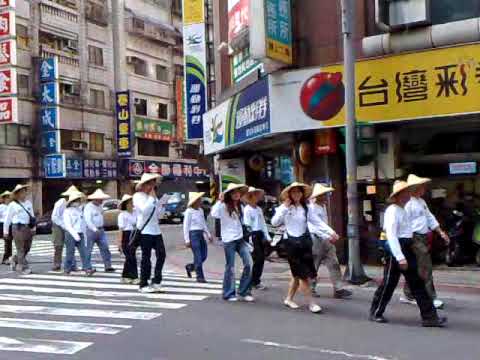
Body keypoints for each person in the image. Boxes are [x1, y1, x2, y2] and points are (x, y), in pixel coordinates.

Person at [369, 180, 447, 327]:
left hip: (406, 246)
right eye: (405, 193)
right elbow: (391, 236)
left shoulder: (403, 209)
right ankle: (376, 312)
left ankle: (430, 317)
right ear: (398, 196)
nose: (407, 195)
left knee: (417, 283)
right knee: (388, 283)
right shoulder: (392, 211)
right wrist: (400, 257)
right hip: (396, 249)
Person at [271, 182, 322, 313]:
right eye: (293, 192)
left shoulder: (306, 208)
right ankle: (311, 303)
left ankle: (288, 298)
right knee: (303, 275)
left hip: (304, 244)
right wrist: (284, 208)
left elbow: (317, 222)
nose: (296, 195)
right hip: (291, 245)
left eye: (298, 192)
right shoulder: (285, 207)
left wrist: (330, 233)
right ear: (289, 194)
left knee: (297, 275)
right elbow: (275, 222)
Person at [402, 174, 450, 309]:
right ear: (415, 188)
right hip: (415, 238)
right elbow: (405, 223)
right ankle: (430, 297)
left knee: (417, 268)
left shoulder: (421, 202)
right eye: (422, 186)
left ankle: (409, 294)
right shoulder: (408, 203)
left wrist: (440, 231)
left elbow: (430, 218)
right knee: (425, 267)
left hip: (422, 237)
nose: (424, 188)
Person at [308, 183, 352, 299]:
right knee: (314, 265)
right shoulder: (312, 208)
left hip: (325, 239)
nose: (325, 196)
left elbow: (323, 224)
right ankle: (310, 288)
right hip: (317, 239)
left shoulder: (322, 206)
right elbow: (314, 226)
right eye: (323, 194)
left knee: (334, 263)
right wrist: (329, 234)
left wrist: (329, 235)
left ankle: (338, 288)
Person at [211, 183, 254, 302]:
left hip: (240, 239)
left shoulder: (241, 207)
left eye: (238, 192)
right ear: (229, 194)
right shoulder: (223, 206)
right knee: (230, 267)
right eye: (233, 192)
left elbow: (246, 223)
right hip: (229, 240)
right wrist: (219, 201)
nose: (236, 194)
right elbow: (213, 214)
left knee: (249, 263)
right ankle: (229, 293)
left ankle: (244, 290)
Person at [133, 173, 166, 293]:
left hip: (156, 230)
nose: (151, 186)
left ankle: (157, 280)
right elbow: (144, 210)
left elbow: (159, 215)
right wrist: (152, 198)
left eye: (153, 183)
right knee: (146, 258)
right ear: (143, 185)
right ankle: (143, 283)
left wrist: (162, 205)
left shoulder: (154, 197)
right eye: (149, 183)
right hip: (145, 231)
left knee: (161, 254)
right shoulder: (138, 196)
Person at [243, 187, 271, 290]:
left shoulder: (259, 209)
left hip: (260, 235)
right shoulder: (247, 210)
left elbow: (263, 224)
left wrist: (267, 236)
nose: (256, 197)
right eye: (254, 195)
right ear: (250, 197)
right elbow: (247, 226)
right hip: (252, 236)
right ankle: (252, 281)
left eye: (256, 195)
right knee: (257, 259)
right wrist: (250, 241)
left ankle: (255, 280)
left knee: (261, 259)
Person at [3, 184, 34, 274]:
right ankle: (23, 267)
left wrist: (33, 227)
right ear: (17, 194)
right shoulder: (12, 205)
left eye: (24, 191)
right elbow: (7, 219)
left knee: (27, 248)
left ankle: (14, 258)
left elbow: (32, 216)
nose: (23, 193)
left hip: (27, 227)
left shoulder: (28, 203)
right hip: (17, 227)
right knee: (20, 248)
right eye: (21, 192)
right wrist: (5, 231)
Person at [183, 192, 212, 283]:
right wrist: (187, 240)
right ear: (194, 201)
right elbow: (186, 226)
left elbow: (203, 223)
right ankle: (200, 277)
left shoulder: (200, 210)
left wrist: (208, 234)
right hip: (193, 235)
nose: (200, 201)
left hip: (201, 234)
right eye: (198, 199)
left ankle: (191, 267)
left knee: (204, 255)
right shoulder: (189, 211)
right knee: (198, 256)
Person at [84, 189, 115, 273]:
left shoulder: (100, 206)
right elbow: (88, 220)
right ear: (96, 199)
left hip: (101, 229)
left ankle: (108, 266)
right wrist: (94, 229)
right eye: (100, 199)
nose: (102, 200)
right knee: (89, 249)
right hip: (91, 230)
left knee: (105, 248)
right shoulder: (88, 207)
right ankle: (87, 266)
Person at [51, 185, 80, 271]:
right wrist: (64, 225)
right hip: (58, 225)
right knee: (58, 245)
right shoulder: (61, 203)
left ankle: (72, 264)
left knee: (70, 245)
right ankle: (57, 264)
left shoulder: (75, 204)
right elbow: (55, 217)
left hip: (69, 226)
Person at [63, 191, 92, 276]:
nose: (78, 202)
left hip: (81, 234)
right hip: (71, 234)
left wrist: (83, 234)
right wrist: (75, 235)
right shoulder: (67, 211)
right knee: (70, 253)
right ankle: (67, 269)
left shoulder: (80, 210)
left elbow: (82, 223)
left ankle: (87, 268)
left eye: (78, 200)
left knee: (84, 252)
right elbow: (68, 225)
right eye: (76, 200)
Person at [117, 194, 139, 284]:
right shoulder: (122, 215)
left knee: (130, 257)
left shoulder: (135, 212)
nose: (131, 204)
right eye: (129, 203)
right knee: (131, 257)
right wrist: (119, 242)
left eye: (132, 202)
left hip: (134, 235)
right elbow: (121, 229)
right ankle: (135, 277)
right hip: (126, 235)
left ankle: (125, 276)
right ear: (125, 204)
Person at [0, 191, 12, 265]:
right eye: (6, 197)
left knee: (8, 242)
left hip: (10, 225)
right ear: (3, 199)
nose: (8, 199)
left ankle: (7, 258)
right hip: (1, 225)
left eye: (9, 197)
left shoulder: (11, 206)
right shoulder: (1, 207)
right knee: (7, 241)